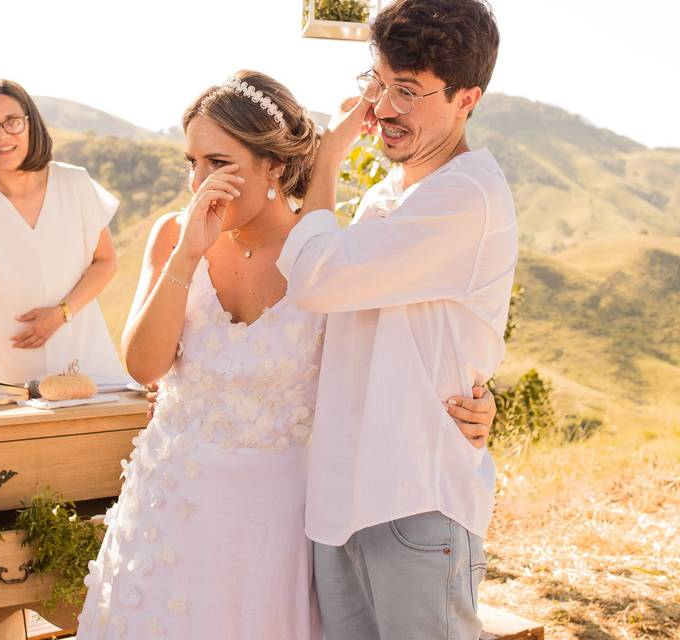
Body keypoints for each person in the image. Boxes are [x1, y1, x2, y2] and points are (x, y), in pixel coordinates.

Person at [76, 70, 496, 640]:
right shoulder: (173, 234)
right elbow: (144, 366)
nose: (200, 182)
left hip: (282, 522)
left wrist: (472, 400)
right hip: (172, 505)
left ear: (273, 164)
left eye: (219, 163)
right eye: (192, 162)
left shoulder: (325, 255)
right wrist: (187, 256)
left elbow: (399, 350)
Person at [276, 1, 518, 637]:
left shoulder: (466, 194)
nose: (382, 108)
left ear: (467, 99)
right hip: (342, 499)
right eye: (377, 83)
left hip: (414, 498)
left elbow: (316, 278)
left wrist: (326, 161)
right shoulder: (389, 197)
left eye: (407, 91)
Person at [0, 79, 124, 385]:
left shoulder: (75, 184)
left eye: (12, 122)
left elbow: (105, 261)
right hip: (2, 375)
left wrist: (62, 313)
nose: (2, 135)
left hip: (83, 364)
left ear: (30, 124)